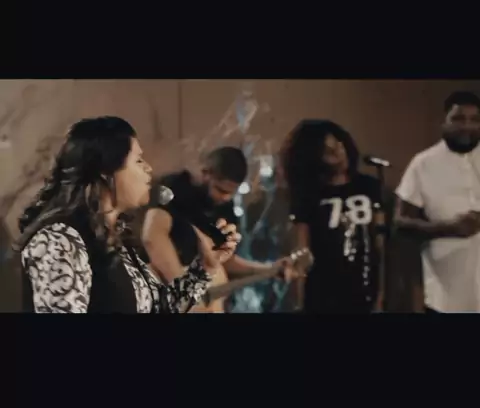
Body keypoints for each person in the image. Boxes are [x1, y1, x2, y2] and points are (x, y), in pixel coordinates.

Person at [16, 117, 240, 313]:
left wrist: (205, 268)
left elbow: (159, 309)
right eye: (138, 160)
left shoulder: (114, 240)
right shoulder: (62, 239)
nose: (148, 168)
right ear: (106, 172)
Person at [141, 146, 294, 313]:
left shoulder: (226, 210)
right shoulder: (176, 188)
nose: (225, 197)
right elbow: (153, 237)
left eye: (231, 193)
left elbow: (224, 260)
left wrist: (269, 269)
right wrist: (185, 292)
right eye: (220, 190)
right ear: (206, 173)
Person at [282, 119, 385, 314]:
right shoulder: (309, 195)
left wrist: (381, 294)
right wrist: (299, 300)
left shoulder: (369, 186)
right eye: (329, 152)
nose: (339, 153)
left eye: (339, 144)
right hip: (323, 294)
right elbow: (303, 249)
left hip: (364, 291)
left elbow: (380, 245)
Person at [395, 90, 480, 313]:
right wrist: (447, 228)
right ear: (444, 122)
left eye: (474, 120)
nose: (467, 126)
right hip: (446, 297)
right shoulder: (423, 163)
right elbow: (401, 222)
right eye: (458, 119)